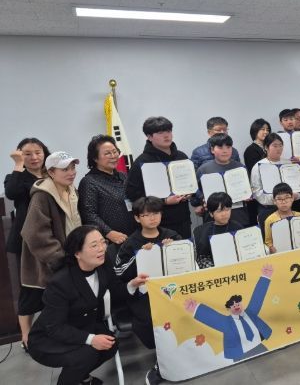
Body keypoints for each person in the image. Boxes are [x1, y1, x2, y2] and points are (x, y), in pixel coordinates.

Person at [28, 226, 148, 385]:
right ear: (77, 253)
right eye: (94, 245)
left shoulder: (103, 263)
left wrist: (132, 284)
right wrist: (91, 339)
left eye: (103, 242)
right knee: (86, 354)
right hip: (48, 338)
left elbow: (115, 290)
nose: (102, 249)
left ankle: (82, 377)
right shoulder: (60, 282)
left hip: (82, 324)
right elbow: (55, 327)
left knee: (110, 345)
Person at [114, 196, 181, 383]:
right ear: (137, 218)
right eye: (146, 215)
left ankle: (182, 352)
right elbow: (119, 272)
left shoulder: (172, 235)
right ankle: (164, 361)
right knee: (151, 320)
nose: (152, 218)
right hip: (144, 295)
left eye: (156, 213)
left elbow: (186, 261)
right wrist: (140, 256)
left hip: (172, 291)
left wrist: (173, 249)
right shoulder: (131, 242)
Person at [20, 151, 82, 350]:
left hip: (71, 258)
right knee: (49, 306)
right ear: (51, 172)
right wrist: (59, 258)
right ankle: (37, 344)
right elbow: (33, 233)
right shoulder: (42, 196)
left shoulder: (71, 189)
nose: (71, 172)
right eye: (65, 169)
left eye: (73, 167)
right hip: (51, 263)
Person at [183, 264, 274, 362]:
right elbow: (213, 318)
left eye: (238, 304)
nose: (236, 306)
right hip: (240, 354)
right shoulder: (227, 322)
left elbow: (257, 297)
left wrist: (265, 277)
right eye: (233, 305)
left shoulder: (250, 312)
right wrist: (196, 308)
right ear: (229, 309)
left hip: (260, 347)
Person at [125, 116, 192, 239]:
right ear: (149, 137)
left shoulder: (181, 157)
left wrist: (189, 192)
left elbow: (190, 183)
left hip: (183, 218)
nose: (166, 136)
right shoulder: (142, 162)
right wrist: (164, 201)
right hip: (157, 224)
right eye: (160, 133)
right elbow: (133, 194)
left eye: (169, 131)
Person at [78, 135, 133, 246]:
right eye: (107, 153)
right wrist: (109, 232)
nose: (113, 156)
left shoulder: (123, 176)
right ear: (95, 158)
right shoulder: (89, 182)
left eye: (115, 151)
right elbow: (88, 214)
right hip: (109, 241)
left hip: (132, 235)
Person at [4, 138, 49, 259]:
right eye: (27, 154)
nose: (34, 157)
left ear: (44, 153)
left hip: (51, 231)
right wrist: (18, 164)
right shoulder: (15, 177)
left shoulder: (53, 175)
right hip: (28, 236)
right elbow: (11, 193)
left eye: (38, 152)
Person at [192, 134, 250, 226]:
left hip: (238, 214)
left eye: (228, 147)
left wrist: (248, 194)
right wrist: (202, 199)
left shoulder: (241, 168)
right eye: (220, 147)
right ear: (212, 150)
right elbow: (195, 190)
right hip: (213, 217)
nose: (225, 151)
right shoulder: (203, 170)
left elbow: (249, 188)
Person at [250, 133, 300, 218]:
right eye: (275, 146)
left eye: (280, 145)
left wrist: (296, 195)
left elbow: (298, 186)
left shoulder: (288, 163)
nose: (279, 148)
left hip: (289, 207)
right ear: (266, 147)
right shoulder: (258, 166)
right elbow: (256, 191)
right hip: (268, 208)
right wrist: (276, 199)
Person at [193, 192, 244, 268]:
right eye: (219, 211)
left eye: (227, 210)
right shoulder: (206, 231)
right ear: (211, 213)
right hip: (215, 268)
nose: (224, 214)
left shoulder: (237, 227)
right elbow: (202, 257)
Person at [243, 118, 271, 226]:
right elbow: (254, 172)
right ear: (255, 131)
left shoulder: (269, 148)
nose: (266, 132)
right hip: (259, 190)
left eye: (267, 129)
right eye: (262, 129)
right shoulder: (251, 150)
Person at [264, 183, 300, 253]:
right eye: (279, 199)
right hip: (281, 253)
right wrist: (271, 248)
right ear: (274, 201)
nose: (284, 202)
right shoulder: (270, 220)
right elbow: (268, 242)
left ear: (292, 198)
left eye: (287, 197)